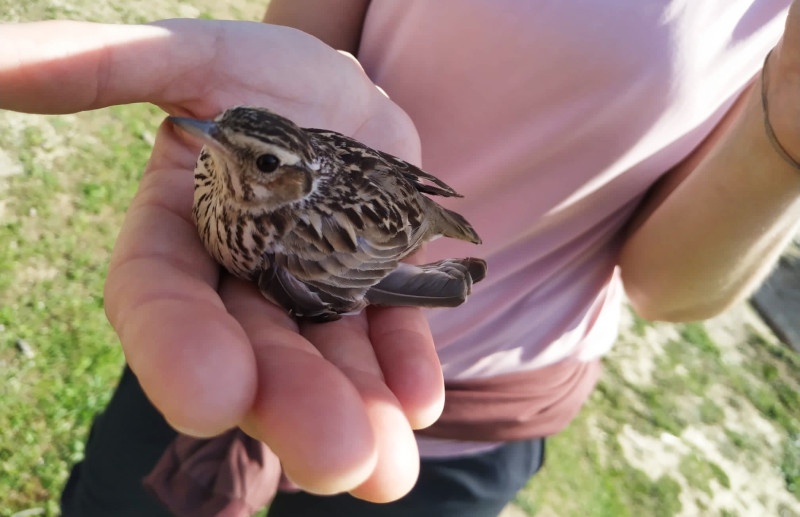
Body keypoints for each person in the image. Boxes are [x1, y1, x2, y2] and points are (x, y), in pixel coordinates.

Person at [3, 0, 800, 514]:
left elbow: (666, 289)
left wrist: (784, 142)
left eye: (254, 161)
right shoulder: (233, 192)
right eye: (225, 141)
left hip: (476, 413)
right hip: (264, 303)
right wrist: (282, 56)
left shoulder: (289, 245)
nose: (211, 146)